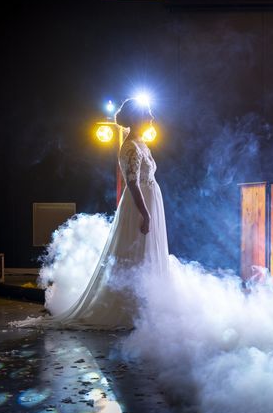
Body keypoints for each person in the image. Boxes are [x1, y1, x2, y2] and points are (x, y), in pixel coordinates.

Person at [13, 98, 169, 329]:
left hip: (150, 201)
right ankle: (130, 309)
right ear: (136, 117)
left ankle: (147, 306)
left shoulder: (142, 143)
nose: (152, 117)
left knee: (147, 253)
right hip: (139, 205)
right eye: (147, 112)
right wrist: (145, 214)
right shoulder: (129, 147)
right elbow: (133, 183)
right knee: (134, 253)